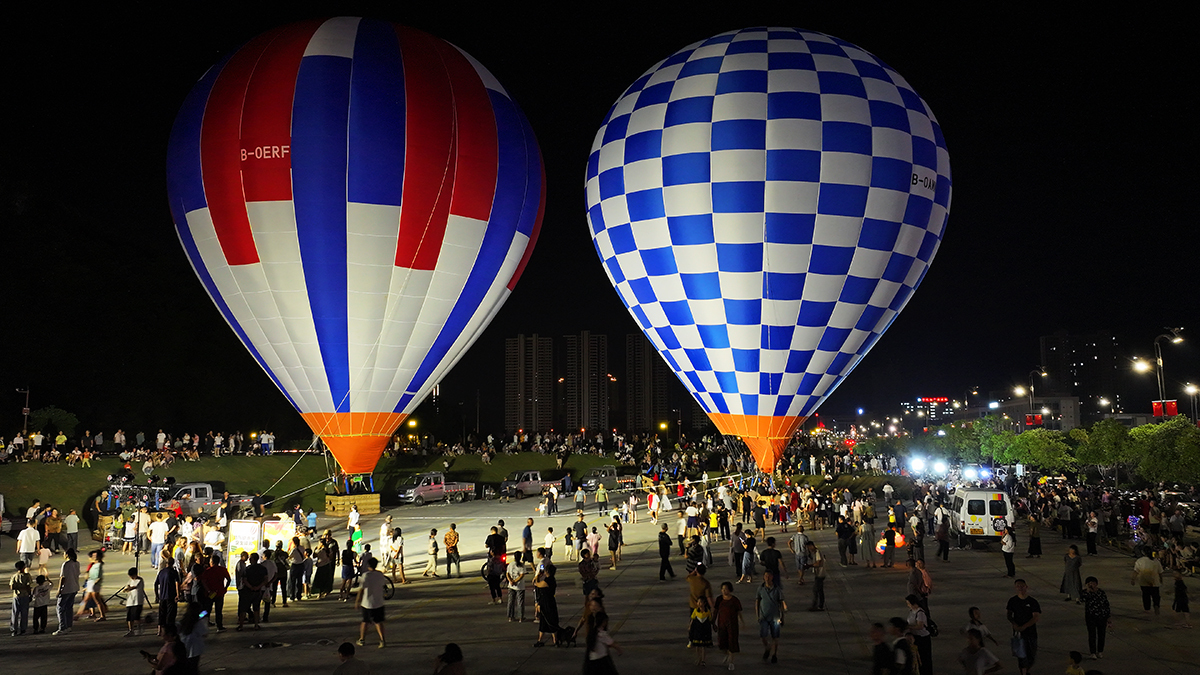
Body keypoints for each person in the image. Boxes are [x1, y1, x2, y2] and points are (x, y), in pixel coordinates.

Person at [1006, 579, 1041, 675]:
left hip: (1031, 632)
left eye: (1022, 586)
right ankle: (1023, 672)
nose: (1020, 588)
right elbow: (1009, 615)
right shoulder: (1012, 601)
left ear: (1026, 587)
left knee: (1031, 655)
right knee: (1021, 656)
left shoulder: (1032, 602)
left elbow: (1036, 617)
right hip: (1018, 634)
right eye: (1018, 586)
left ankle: (1027, 670)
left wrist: (1024, 626)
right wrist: (1014, 624)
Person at [355, 557, 387, 648]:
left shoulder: (366, 575)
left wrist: (357, 601)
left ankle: (362, 639)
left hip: (367, 603)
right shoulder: (380, 574)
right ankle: (382, 640)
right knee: (378, 622)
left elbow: (361, 589)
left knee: (365, 621)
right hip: (379, 602)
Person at [755, 570, 786, 664]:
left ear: (772, 577)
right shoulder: (760, 589)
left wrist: (782, 617)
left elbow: (781, 603)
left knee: (775, 637)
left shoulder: (777, 589)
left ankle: (774, 655)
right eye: (765, 576)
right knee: (763, 636)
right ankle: (767, 648)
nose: (767, 578)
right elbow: (757, 602)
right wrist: (757, 615)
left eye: (769, 576)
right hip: (764, 616)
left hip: (775, 617)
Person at [1080, 576, 1112, 659]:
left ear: (1096, 584)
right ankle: (1093, 652)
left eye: (1093, 583)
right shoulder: (1085, 593)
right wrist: (1088, 590)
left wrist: (1108, 617)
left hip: (1102, 616)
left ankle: (1100, 651)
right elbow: (1082, 599)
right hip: (1091, 617)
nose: (1091, 585)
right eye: (1089, 583)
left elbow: (1106, 604)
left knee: (1101, 634)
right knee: (1092, 635)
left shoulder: (1101, 592)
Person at [532, 548, 559, 647]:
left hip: (546, 602)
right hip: (550, 600)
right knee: (548, 621)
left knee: (548, 621)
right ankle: (550, 640)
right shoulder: (548, 561)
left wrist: (538, 576)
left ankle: (551, 640)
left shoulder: (547, 580)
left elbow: (537, 583)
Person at [714, 581, 743, 671]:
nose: (723, 591)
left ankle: (731, 662)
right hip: (722, 624)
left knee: (732, 642)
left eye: (725, 589)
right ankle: (727, 655)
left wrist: (742, 622)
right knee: (722, 642)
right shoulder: (719, 599)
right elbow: (715, 611)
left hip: (732, 625)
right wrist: (712, 622)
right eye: (722, 589)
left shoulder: (734, 600)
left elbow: (739, 612)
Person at [54, 548, 81, 635]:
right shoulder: (77, 563)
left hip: (66, 588)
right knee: (69, 607)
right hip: (74, 587)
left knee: (60, 608)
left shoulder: (66, 564)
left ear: (67, 555)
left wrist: (59, 589)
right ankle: (69, 626)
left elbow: (63, 577)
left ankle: (62, 627)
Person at [1132, 546, 1164, 616]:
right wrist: (1161, 579)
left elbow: (1136, 571)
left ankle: (1147, 609)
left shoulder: (1140, 561)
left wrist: (1133, 579)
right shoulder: (1156, 561)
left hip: (1144, 581)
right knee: (1155, 595)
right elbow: (1160, 572)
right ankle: (1156, 606)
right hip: (1155, 581)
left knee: (1146, 596)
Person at [905, 594, 932, 675]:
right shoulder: (912, 611)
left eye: (909, 603)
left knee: (924, 658)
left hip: (922, 638)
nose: (908, 605)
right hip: (915, 637)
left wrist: (909, 627)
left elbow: (920, 626)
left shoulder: (920, 613)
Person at [155, 557, 182, 635]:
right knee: (171, 614)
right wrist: (178, 594)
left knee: (162, 614)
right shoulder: (173, 572)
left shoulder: (161, 572)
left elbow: (156, 584)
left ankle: (159, 630)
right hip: (171, 596)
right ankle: (169, 630)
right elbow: (177, 583)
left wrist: (157, 595)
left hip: (162, 596)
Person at [179, 602, 208, 673]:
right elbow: (204, 633)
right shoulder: (198, 622)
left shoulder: (184, 620)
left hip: (184, 646)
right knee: (194, 667)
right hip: (195, 648)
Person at [120, 566, 147, 637]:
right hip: (130, 601)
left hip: (137, 601)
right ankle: (131, 630)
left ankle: (140, 627)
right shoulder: (130, 580)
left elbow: (132, 587)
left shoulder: (139, 580)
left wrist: (127, 588)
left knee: (136, 617)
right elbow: (127, 586)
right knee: (129, 617)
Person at [689, 595, 715, 665]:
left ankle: (703, 659)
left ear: (704, 603)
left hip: (704, 630)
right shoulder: (695, 611)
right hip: (697, 630)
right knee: (697, 646)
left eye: (701, 602)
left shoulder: (707, 611)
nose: (699, 604)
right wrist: (690, 627)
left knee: (703, 646)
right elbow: (692, 619)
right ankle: (698, 658)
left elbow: (710, 620)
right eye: (698, 602)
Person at [10, 561, 34, 636]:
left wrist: (18, 587)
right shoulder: (27, 576)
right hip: (25, 596)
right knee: (24, 613)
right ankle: (23, 629)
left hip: (16, 596)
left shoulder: (14, 576)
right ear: (24, 567)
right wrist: (30, 595)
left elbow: (11, 587)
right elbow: (28, 586)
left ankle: (14, 629)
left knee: (15, 613)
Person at [805, 540, 826, 611]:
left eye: (808, 547)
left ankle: (816, 605)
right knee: (819, 590)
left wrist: (809, 566)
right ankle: (820, 605)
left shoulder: (817, 553)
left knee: (816, 590)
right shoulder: (814, 553)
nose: (809, 549)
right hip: (818, 574)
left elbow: (818, 563)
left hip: (820, 574)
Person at [506, 552, 526, 622]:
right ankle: (520, 617)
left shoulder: (511, 564)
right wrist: (515, 581)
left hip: (511, 586)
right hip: (519, 586)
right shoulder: (522, 565)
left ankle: (510, 617)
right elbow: (521, 575)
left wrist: (511, 581)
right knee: (520, 602)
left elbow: (507, 573)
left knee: (511, 601)